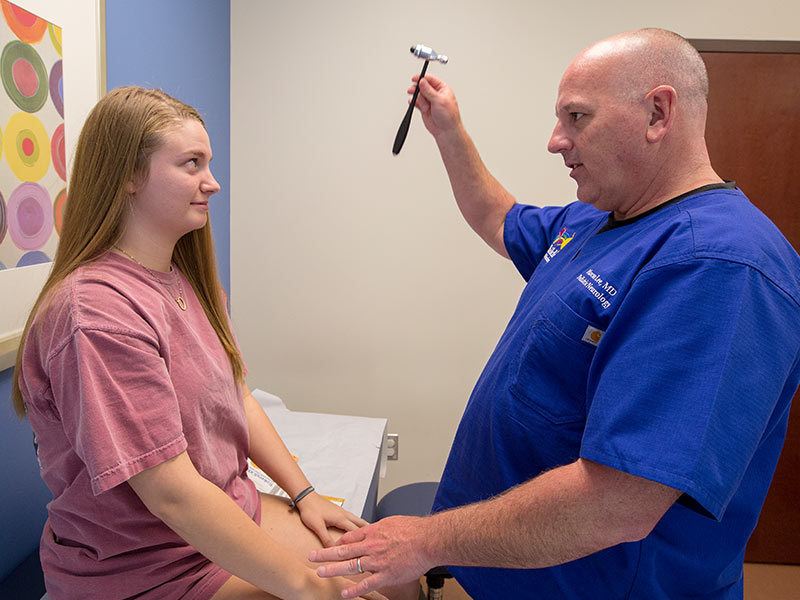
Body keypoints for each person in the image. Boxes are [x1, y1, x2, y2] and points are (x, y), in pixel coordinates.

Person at [309, 28, 800, 599]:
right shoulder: (599, 220)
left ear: (658, 114)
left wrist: (427, 540)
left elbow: (620, 501)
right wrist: (447, 128)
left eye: (577, 117)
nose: (555, 140)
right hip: (520, 576)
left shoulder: (719, 266)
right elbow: (499, 216)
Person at [12, 87, 418, 600]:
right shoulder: (97, 314)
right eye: (192, 164)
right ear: (130, 176)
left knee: (397, 576)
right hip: (145, 564)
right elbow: (172, 496)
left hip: (222, 516)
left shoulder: (189, 283)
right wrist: (307, 588)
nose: (213, 182)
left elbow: (238, 396)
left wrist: (305, 493)